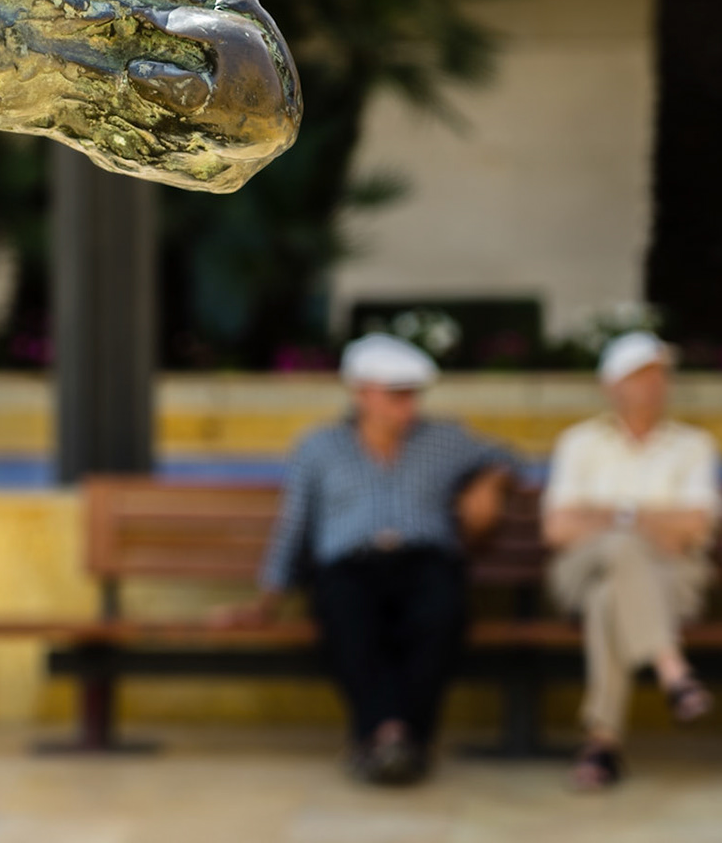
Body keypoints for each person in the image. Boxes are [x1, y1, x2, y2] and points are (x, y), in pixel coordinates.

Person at [221, 333, 516, 785]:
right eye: (397, 396)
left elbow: (506, 456)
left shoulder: (445, 439)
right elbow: (294, 525)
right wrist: (269, 597)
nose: (409, 407)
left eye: (413, 395)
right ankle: (394, 735)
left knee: (441, 617)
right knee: (347, 621)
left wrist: (489, 485)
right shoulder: (318, 447)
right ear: (362, 392)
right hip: (348, 565)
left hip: (425, 560)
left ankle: (385, 738)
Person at [542, 330, 721, 791]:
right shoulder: (578, 443)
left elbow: (695, 528)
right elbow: (559, 529)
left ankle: (602, 744)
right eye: (642, 376)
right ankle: (672, 669)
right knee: (622, 550)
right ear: (612, 386)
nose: (655, 386)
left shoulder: (694, 445)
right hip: (581, 570)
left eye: (661, 376)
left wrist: (607, 516)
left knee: (610, 600)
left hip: (671, 577)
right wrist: (646, 522)